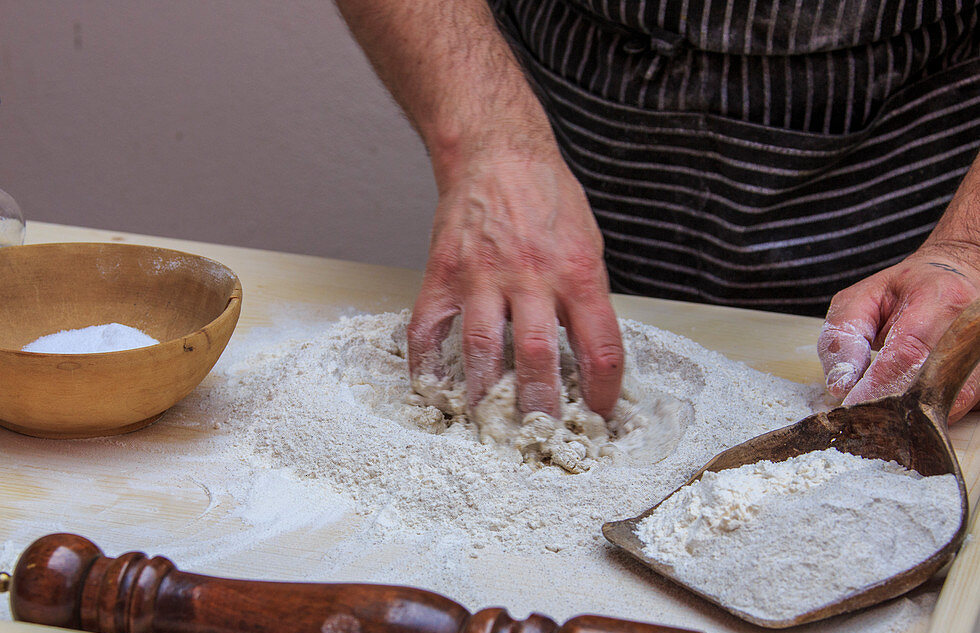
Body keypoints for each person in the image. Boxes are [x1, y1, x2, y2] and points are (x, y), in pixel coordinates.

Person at [334, 0, 980, 423]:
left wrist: (967, 248)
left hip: (906, 131)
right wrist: (486, 138)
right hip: (572, 85)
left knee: (892, 372)